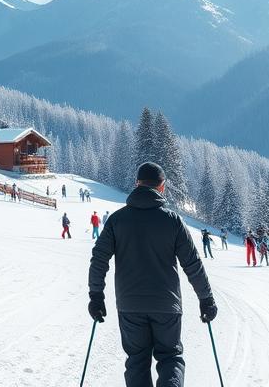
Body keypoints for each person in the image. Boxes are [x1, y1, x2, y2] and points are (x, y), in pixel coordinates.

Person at [88, 162, 217, 387]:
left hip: (130, 305)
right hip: (167, 305)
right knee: (170, 358)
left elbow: (99, 259)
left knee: (137, 361)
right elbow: (192, 264)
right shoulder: (173, 221)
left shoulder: (117, 220)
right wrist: (206, 299)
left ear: (137, 184)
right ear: (162, 187)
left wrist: (96, 296)